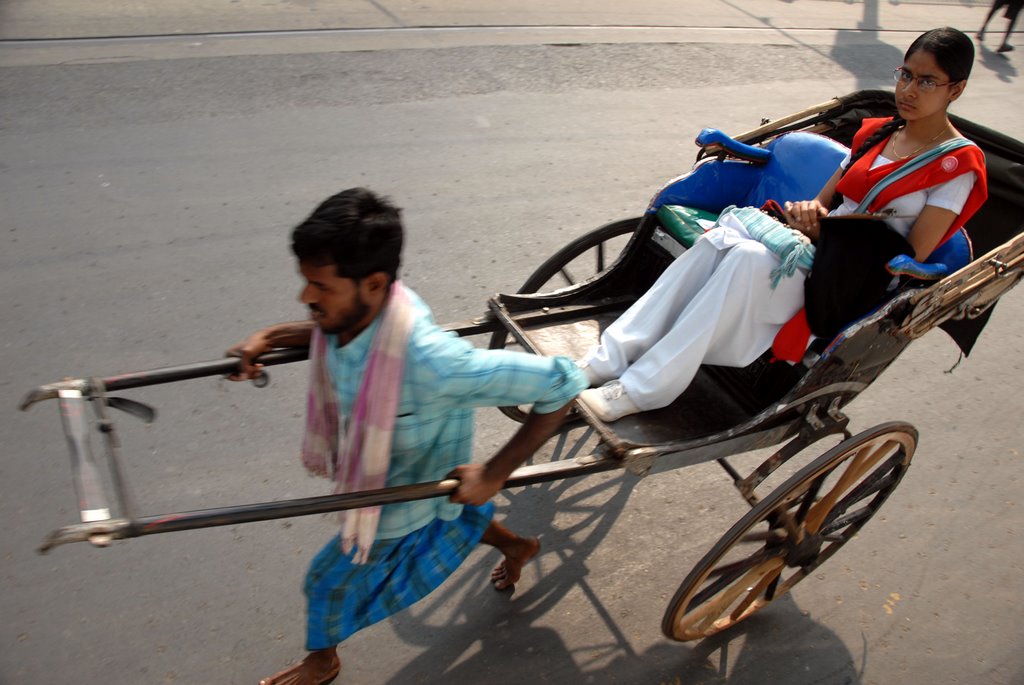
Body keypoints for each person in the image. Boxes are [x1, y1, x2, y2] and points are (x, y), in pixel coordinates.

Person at [227, 188, 587, 685]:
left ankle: (322, 659)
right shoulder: (368, 310)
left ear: (374, 284)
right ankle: (519, 547)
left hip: (400, 492)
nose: (306, 298)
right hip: (411, 462)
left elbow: (563, 383)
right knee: (459, 511)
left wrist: (494, 473)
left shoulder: (435, 363)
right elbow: (330, 327)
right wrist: (268, 337)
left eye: (319, 287)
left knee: (325, 581)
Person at [578, 27, 988, 422]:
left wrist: (824, 232)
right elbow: (823, 202)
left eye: (928, 82)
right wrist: (806, 216)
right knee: (721, 242)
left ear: (956, 89)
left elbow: (911, 253)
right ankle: (608, 358)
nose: (909, 90)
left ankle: (642, 389)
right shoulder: (879, 133)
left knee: (747, 259)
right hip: (810, 248)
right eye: (906, 75)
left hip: (850, 278)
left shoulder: (958, 166)